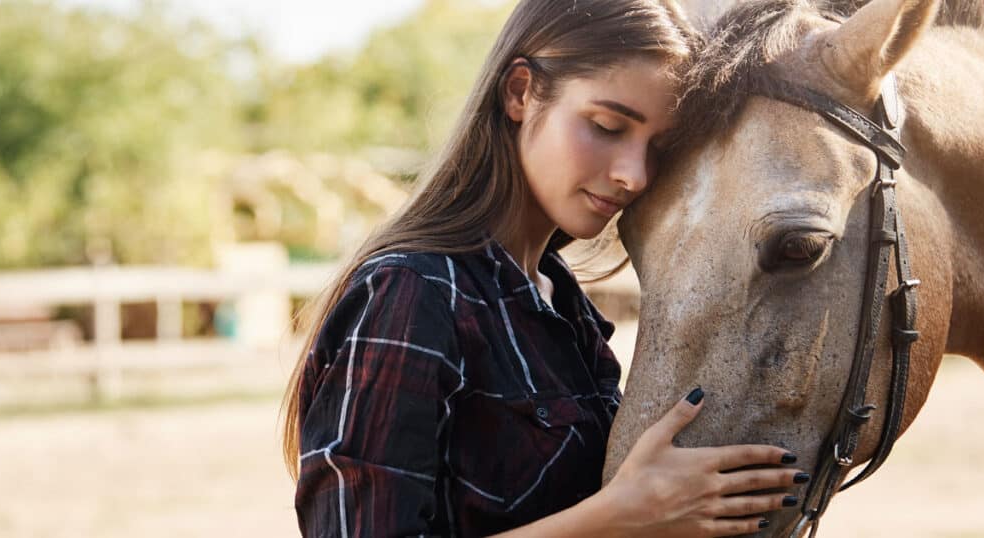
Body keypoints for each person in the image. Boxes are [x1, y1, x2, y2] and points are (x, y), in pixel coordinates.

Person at [281, 1, 807, 536]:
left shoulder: (562, 303)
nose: (635, 175)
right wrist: (622, 516)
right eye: (607, 125)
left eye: (658, 148)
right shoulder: (412, 292)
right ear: (520, 92)